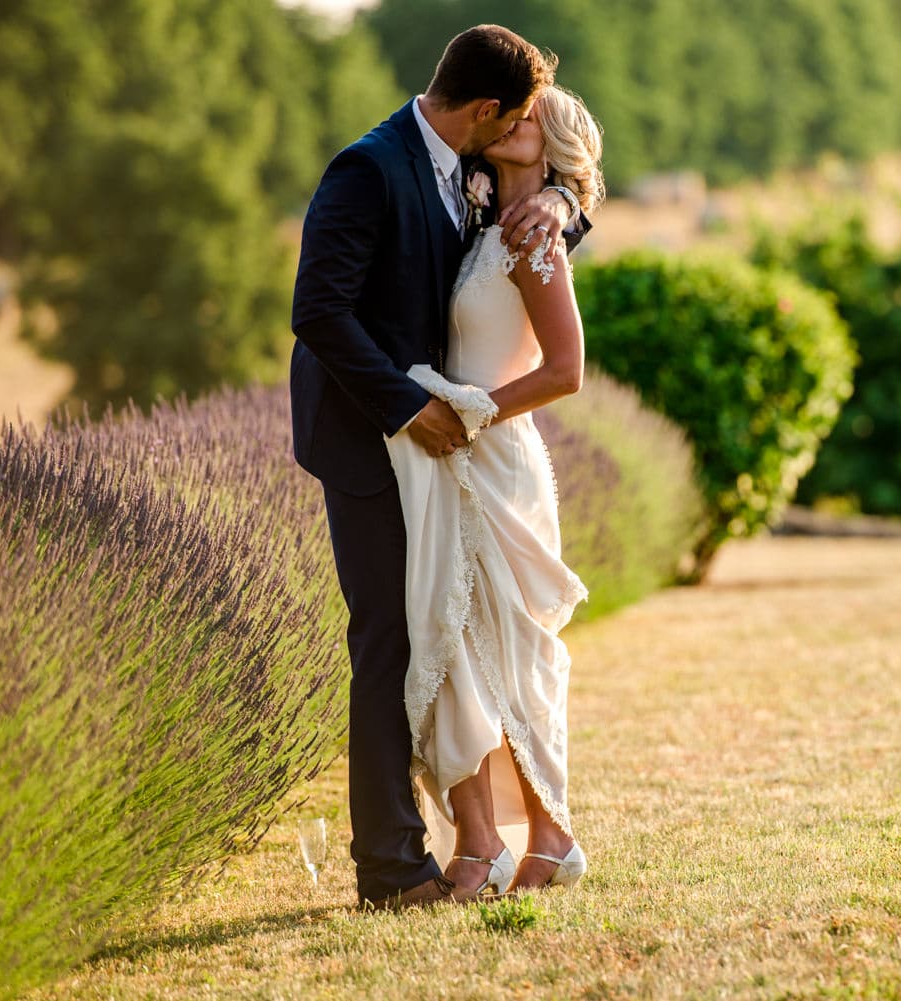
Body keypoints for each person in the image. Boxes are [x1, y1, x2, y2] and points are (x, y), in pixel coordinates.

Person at [289, 25, 589, 911]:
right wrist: (405, 406)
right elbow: (319, 310)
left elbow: (540, 240)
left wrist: (567, 203)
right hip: (372, 440)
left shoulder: (481, 177)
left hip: (454, 448)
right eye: (518, 113)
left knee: (446, 638)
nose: (522, 126)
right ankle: (391, 868)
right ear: (487, 111)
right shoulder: (369, 168)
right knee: (394, 639)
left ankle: (485, 842)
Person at [385, 84, 604, 900]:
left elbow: (565, 371)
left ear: (554, 146)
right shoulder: (480, 220)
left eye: (533, 116)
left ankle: (551, 834)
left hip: (493, 453)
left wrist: (469, 412)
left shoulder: (539, 237)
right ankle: (494, 844)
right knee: (448, 645)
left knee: (508, 653)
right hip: (446, 454)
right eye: (509, 110)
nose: (515, 117)